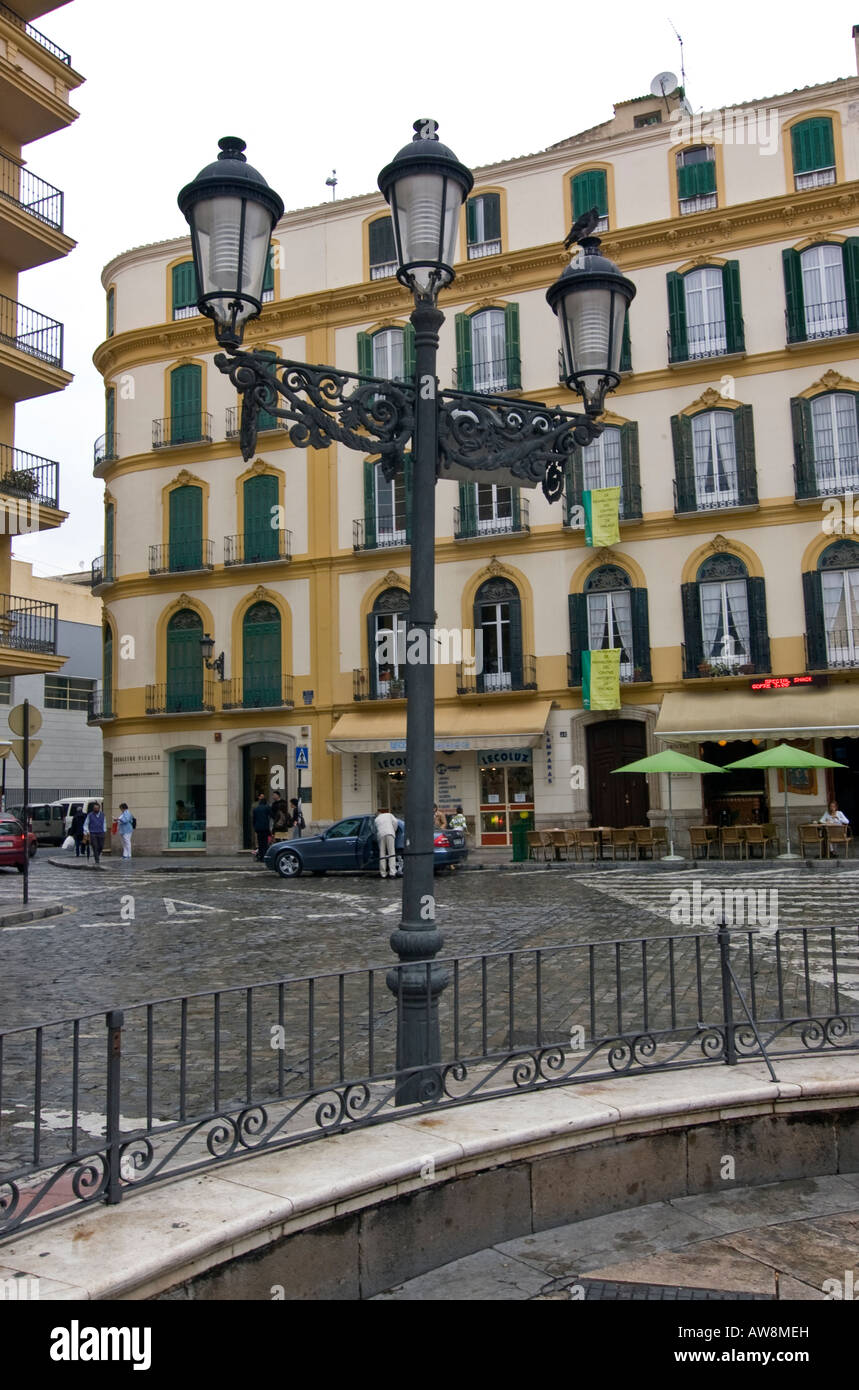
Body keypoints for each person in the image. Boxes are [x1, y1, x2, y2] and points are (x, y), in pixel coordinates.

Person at [374, 806, 399, 879]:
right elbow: (395, 822)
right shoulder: (389, 815)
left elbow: (375, 830)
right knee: (392, 853)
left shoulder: (376, 820)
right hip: (390, 833)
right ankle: (392, 873)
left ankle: (383, 873)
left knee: (382, 854)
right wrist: (394, 830)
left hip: (381, 835)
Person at [252, 793, 272, 863]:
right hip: (265, 828)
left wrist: (255, 827)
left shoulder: (255, 809)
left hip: (258, 828)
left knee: (260, 843)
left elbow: (254, 820)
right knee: (265, 843)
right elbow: (271, 815)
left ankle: (260, 857)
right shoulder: (267, 807)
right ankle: (264, 857)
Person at [84, 801, 106, 865]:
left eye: (97, 808)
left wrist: (104, 830)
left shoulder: (102, 815)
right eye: (94, 808)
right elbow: (86, 824)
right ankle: (97, 859)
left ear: (99, 808)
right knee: (95, 846)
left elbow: (104, 823)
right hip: (93, 832)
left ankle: (97, 855)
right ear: (93, 809)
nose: (96, 809)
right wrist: (87, 831)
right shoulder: (90, 815)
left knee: (101, 846)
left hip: (101, 832)